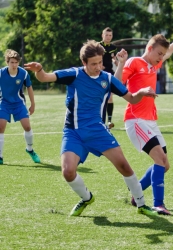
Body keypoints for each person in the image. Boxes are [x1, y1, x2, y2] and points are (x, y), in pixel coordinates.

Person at [24, 40, 158, 217]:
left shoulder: (107, 79)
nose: (98, 67)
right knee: (68, 171)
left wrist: (140, 93)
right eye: (93, 64)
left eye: (100, 62)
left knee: (124, 166)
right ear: (84, 63)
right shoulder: (74, 74)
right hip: (73, 132)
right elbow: (45, 77)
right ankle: (86, 198)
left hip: (97, 131)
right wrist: (40, 70)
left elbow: (131, 99)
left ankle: (141, 204)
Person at [121, 32, 173, 215]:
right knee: (159, 159)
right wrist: (139, 90)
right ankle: (158, 204)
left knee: (165, 165)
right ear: (149, 49)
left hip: (150, 121)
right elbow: (118, 83)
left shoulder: (153, 64)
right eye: (158, 54)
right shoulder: (134, 62)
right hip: (136, 120)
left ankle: (136, 193)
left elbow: (168, 52)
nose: (161, 58)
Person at [0, 49, 40, 165]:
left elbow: (29, 88)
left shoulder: (24, 73)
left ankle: (30, 150)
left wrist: (33, 104)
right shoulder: (1, 73)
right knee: (1, 127)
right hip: (4, 103)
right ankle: (0, 156)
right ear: (7, 62)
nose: (14, 65)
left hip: (18, 103)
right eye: (12, 62)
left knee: (27, 127)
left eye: (16, 62)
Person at [100, 27, 118, 129]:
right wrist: (98, 66)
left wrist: (118, 63)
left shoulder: (114, 47)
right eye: (106, 35)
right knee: (101, 96)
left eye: (110, 35)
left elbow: (114, 59)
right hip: (99, 73)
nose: (108, 37)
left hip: (109, 74)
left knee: (110, 96)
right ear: (102, 35)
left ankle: (110, 120)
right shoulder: (98, 46)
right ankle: (99, 119)